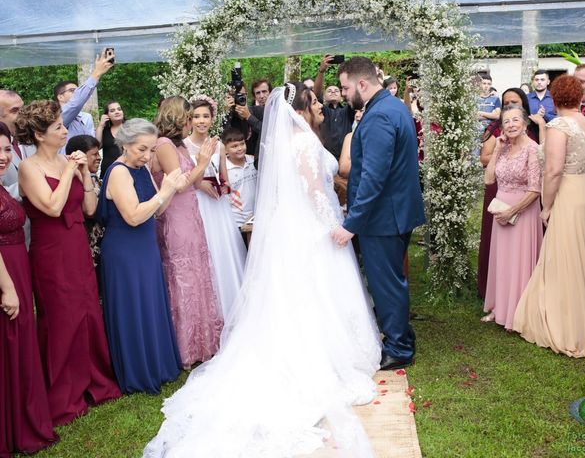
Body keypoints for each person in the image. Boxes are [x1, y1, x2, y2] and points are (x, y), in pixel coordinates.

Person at [144, 83, 381, 457]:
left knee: (298, 293)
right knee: (316, 290)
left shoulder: (281, 144)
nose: (319, 104)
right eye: (314, 101)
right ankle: (323, 354)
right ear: (301, 109)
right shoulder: (302, 143)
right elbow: (311, 190)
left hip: (294, 229)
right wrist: (336, 225)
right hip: (314, 230)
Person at [15, 100, 121, 426]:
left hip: (77, 247)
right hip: (50, 253)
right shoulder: (28, 168)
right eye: (58, 127)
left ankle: (94, 381)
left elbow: (88, 209)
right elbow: (51, 207)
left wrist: (84, 174)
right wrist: (65, 172)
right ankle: (64, 392)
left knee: (87, 312)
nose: (65, 131)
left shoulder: (66, 160)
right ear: (38, 134)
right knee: (62, 319)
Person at [333, 57, 425, 370]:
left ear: (362, 83)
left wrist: (352, 223)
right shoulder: (393, 105)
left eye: (345, 88)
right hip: (395, 211)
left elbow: (373, 176)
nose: (344, 94)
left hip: (384, 217)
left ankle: (399, 348)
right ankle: (400, 337)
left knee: (386, 283)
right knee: (392, 281)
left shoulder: (379, 117)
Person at [513, 75, 585, 357]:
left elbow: (552, 171)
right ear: (578, 97)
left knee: (565, 259)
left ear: (555, 98)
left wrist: (547, 205)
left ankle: (567, 328)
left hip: (567, 196)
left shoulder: (558, 126)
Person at [98, 119, 184, 393]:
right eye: (141, 149)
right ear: (125, 144)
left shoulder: (142, 169)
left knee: (149, 302)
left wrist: (170, 186)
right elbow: (134, 216)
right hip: (124, 250)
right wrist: (167, 190)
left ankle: (158, 365)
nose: (147, 156)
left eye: (150, 150)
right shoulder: (119, 172)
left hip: (145, 246)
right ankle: (138, 371)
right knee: (133, 307)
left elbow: (156, 210)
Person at [151, 96, 224, 369]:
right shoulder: (163, 144)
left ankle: (204, 341)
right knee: (183, 279)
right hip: (175, 218)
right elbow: (178, 184)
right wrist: (203, 163)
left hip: (190, 215)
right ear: (178, 117)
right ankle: (185, 347)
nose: (190, 121)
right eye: (187, 116)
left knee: (197, 274)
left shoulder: (176, 144)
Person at [0, 124, 58, 456]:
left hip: (18, 268)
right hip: (6, 276)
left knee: (18, 344)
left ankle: (20, 421)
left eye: (7, 149)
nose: (3, 156)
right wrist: (7, 288)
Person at [477, 88, 545, 301]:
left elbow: (535, 189)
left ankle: (520, 308)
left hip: (523, 212)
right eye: (506, 122)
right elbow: (489, 180)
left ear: (525, 123)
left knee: (520, 261)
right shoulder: (503, 149)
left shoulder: (533, 149)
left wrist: (512, 212)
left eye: (516, 120)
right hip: (501, 210)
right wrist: (497, 149)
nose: (511, 125)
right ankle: (500, 305)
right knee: (502, 260)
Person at [185, 100, 246, 320]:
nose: (201, 121)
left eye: (205, 116)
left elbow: (224, 176)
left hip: (217, 204)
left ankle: (231, 308)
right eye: (196, 116)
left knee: (223, 248)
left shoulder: (218, 145)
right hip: (197, 201)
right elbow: (182, 178)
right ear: (190, 120)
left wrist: (225, 188)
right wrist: (200, 184)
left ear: (212, 119)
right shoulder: (183, 146)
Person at [53, 48, 114, 141]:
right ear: (60, 97)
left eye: (78, 90)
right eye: (72, 90)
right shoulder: (57, 117)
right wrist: (97, 73)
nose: (77, 92)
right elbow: (76, 103)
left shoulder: (85, 117)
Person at [65, 134, 103, 268]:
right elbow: (90, 210)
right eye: (94, 154)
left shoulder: (97, 181)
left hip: (103, 247)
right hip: (87, 247)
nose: (99, 157)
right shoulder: (71, 183)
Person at [314, 54, 355, 159]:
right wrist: (321, 71)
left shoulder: (348, 110)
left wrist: (346, 70)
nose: (333, 92)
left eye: (337, 90)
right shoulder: (322, 110)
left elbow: (352, 92)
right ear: (324, 97)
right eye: (329, 91)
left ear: (342, 96)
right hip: (325, 159)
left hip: (345, 159)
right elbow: (316, 94)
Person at [223, 127, 257, 231]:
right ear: (225, 149)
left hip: (257, 217)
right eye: (234, 146)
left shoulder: (253, 161)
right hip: (238, 222)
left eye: (242, 144)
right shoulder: (224, 169)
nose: (240, 148)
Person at [96, 101, 125, 177]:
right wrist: (100, 126)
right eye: (112, 111)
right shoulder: (105, 130)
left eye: (119, 109)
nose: (117, 112)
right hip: (108, 172)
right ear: (107, 115)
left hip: (127, 170)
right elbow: (97, 146)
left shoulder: (130, 127)